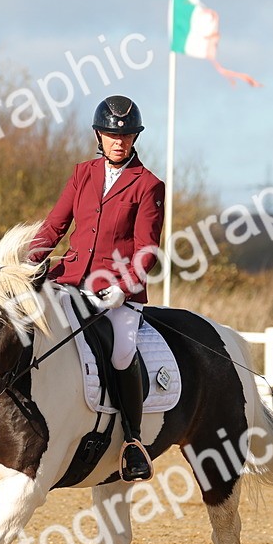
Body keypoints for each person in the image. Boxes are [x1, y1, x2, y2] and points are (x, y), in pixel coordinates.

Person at [30, 95, 165, 481]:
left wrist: (123, 287)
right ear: (98, 136)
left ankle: (133, 443)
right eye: (111, 135)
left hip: (118, 294)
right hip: (69, 281)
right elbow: (54, 226)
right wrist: (25, 262)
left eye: (126, 136)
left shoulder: (148, 185)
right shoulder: (82, 174)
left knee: (121, 354)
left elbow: (147, 250)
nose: (118, 142)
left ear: (135, 138)